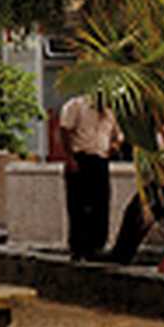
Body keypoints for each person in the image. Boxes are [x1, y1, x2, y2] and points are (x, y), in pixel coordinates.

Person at [57, 94, 121, 261]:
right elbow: (64, 131)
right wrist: (69, 158)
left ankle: (97, 245)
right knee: (78, 205)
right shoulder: (76, 105)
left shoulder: (110, 111)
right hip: (81, 157)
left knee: (101, 203)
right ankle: (78, 247)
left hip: (100, 159)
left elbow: (117, 135)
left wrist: (114, 145)